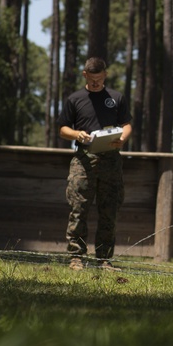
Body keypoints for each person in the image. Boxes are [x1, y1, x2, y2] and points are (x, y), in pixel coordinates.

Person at [58, 57, 133, 271]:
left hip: (111, 160)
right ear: (85, 75)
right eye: (92, 80)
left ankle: (104, 260)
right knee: (79, 209)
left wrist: (122, 139)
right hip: (83, 161)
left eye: (99, 80)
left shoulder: (116, 98)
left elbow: (127, 124)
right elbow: (62, 129)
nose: (96, 84)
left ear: (105, 76)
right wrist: (77, 134)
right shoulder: (75, 99)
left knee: (109, 210)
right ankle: (76, 258)